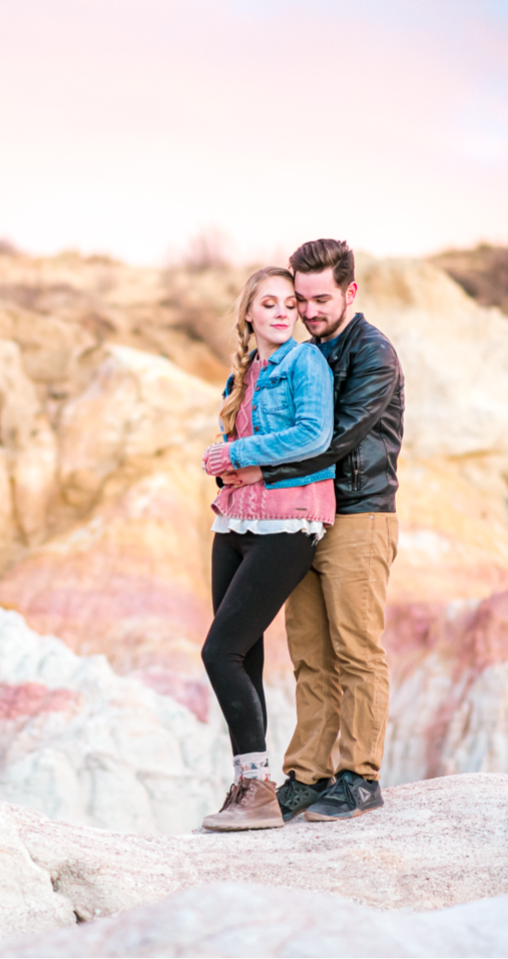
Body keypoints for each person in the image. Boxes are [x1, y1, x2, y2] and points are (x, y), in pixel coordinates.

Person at [226, 238, 403, 822]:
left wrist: (257, 465)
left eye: (321, 298)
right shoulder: (303, 354)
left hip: (360, 514)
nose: (308, 310)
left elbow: (335, 438)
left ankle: (360, 776)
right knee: (309, 654)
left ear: (351, 291)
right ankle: (307, 774)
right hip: (304, 518)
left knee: (356, 650)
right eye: (300, 299)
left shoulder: (374, 354)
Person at [197, 266, 336, 831]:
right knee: (243, 652)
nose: (282, 312)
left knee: (219, 651)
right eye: (269, 303)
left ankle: (259, 789)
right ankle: (250, 781)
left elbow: (313, 434)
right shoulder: (245, 372)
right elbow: (239, 453)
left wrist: (237, 455)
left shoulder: (306, 362)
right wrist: (224, 461)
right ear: (249, 314)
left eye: (289, 304)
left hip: (289, 521)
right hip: (234, 523)